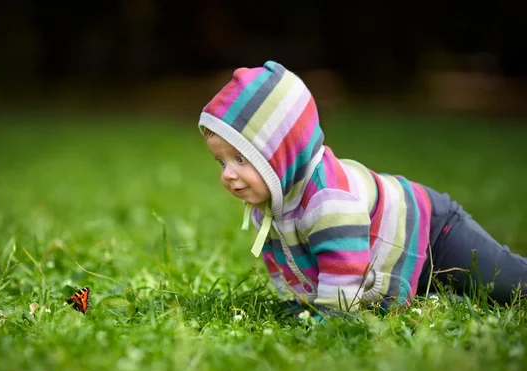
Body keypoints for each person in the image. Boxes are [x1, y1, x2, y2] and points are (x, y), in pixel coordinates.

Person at [198, 60, 527, 315]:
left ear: (281, 152)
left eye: (241, 158)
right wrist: (300, 303)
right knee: (460, 292)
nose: (228, 174)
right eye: (222, 162)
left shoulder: (328, 200)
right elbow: (283, 261)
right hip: (401, 255)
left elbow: (344, 263)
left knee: (508, 283)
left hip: (435, 231)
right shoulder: (269, 207)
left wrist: (331, 316)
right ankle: (440, 290)